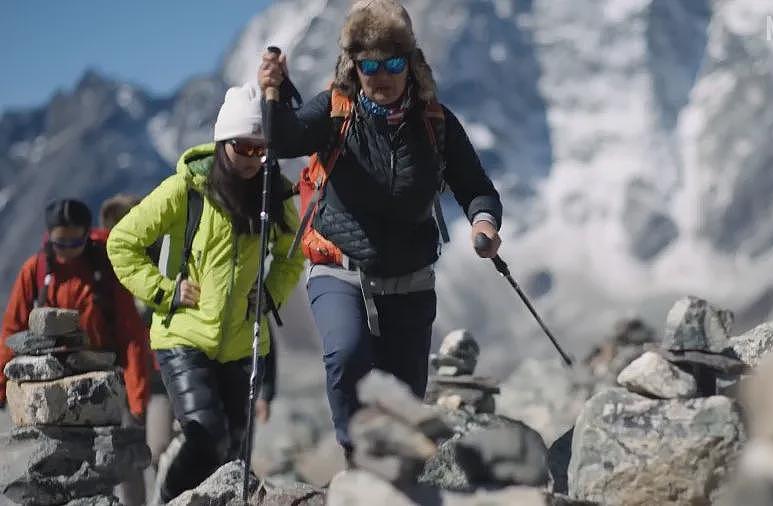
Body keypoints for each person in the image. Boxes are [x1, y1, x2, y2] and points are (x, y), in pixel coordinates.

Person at [258, 0, 503, 462]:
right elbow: (286, 139)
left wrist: (484, 225)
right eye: (370, 64)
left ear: (410, 62)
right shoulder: (336, 110)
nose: (382, 75)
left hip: (409, 276)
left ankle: (393, 475)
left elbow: (475, 188)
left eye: (393, 62)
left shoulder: (435, 121)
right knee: (346, 355)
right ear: (355, 65)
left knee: (404, 397)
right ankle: (354, 457)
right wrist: (272, 91)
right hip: (338, 264)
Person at [106, 82, 304, 501]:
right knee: (206, 434)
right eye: (242, 147)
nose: (252, 158)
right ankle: (169, 500)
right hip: (182, 336)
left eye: (260, 148)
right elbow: (120, 242)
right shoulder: (186, 190)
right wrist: (165, 291)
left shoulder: (274, 194)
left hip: (239, 343)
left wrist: (269, 295)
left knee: (234, 451)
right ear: (221, 142)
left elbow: (292, 254)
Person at [0, 199, 150, 420]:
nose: (68, 250)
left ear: (87, 235)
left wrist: (137, 401)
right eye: (61, 243)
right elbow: (12, 330)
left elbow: (131, 334)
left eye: (75, 242)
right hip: (48, 381)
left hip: (101, 375)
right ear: (49, 237)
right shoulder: (35, 270)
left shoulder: (105, 267)